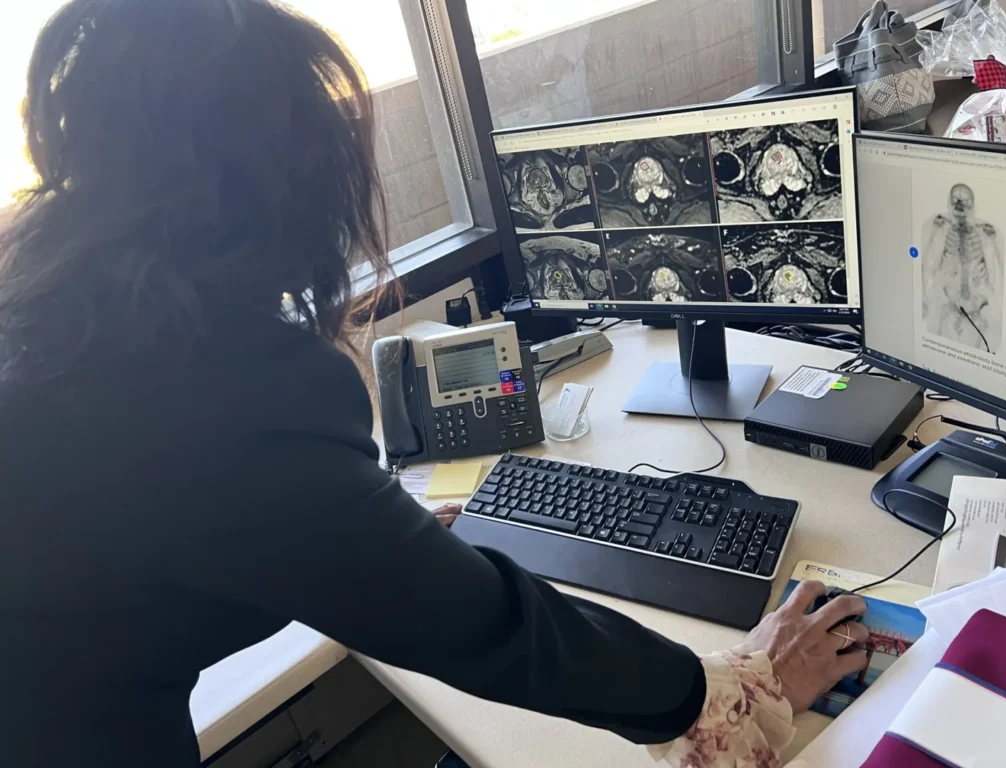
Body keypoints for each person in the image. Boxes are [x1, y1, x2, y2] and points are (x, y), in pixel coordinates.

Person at [0, 1, 870, 766]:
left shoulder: (44, 302)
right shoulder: (228, 387)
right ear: (289, 184)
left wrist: (371, 535)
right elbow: (497, 631)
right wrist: (739, 686)